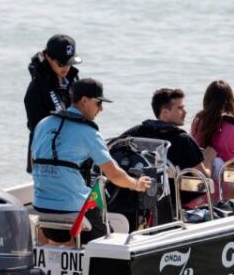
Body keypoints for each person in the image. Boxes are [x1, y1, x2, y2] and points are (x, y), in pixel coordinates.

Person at [31, 78, 150, 244]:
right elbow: (114, 174)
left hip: (40, 206)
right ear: (85, 100)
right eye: (99, 103)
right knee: (107, 240)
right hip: (74, 209)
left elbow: (33, 161)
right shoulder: (88, 132)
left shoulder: (43, 124)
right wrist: (137, 184)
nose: (101, 109)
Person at [115, 88, 216, 223]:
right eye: (180, 108)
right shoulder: (184, 140)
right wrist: (209, 158)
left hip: (140, 201)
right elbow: (204, 178)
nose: (185, 112)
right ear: (165, 112)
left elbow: (112, 150)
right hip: (176, 204)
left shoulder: (135, 132)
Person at [25, 34, 82, 172]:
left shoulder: (73, 80)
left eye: (70, 62)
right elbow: (37, 129)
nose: (66, 68)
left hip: (72, 153)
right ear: (48, 57)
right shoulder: (36, 89)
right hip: (45, 156)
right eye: (61, 63)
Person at [190, 80, 234, 172]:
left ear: (206, 101)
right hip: (228, 184)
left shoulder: (197, 124)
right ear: (231, 102)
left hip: (204, 182)